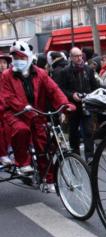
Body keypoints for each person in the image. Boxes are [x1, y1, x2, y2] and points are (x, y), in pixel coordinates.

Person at [0, 41, 74, 192]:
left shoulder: (40, 73)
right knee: (21, 130)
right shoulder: (6, 75)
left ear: (28, 57)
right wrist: (22, 107)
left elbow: (54, 90)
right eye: (15, 58)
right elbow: (7, 97)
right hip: (15, 113)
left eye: (21, 57)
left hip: (37, 113)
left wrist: (65, 105)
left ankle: (49, 179)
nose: (17, 61)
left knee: (44, 146)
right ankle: (22, 162)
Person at [57, 47, 100, 163]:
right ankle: (75, 154)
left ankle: (90, 156)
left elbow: (95, 87)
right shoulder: (65, 71)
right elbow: (60, 89)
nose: (79, 58)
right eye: (76, 56)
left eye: (80, 55)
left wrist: (90, 96)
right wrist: (72, 95)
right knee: (73, 131)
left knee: (88, 131)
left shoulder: (88, 70)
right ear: (71, 57)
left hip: (87, 104)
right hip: (73, 106)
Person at [0, 53, 12, 166]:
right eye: (0, 63)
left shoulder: (11, 76)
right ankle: (3, 155)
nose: (2, 65)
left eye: (4, 63)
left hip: (10, 109)